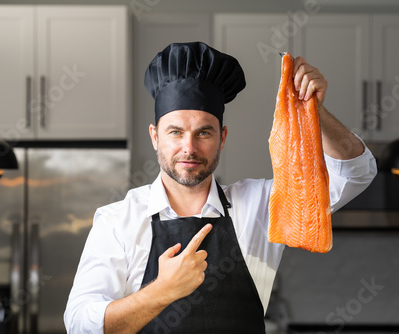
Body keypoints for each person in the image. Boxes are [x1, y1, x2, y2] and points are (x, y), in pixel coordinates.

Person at [64, 42, 377, 334]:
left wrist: (314, 112)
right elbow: (79, 323)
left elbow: (355, 174)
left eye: (204, 132)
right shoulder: (118, 221)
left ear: (222, 137)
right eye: (175, 132)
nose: (189, 147)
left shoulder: (259, 206)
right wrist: (162, 291)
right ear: (155, 136)